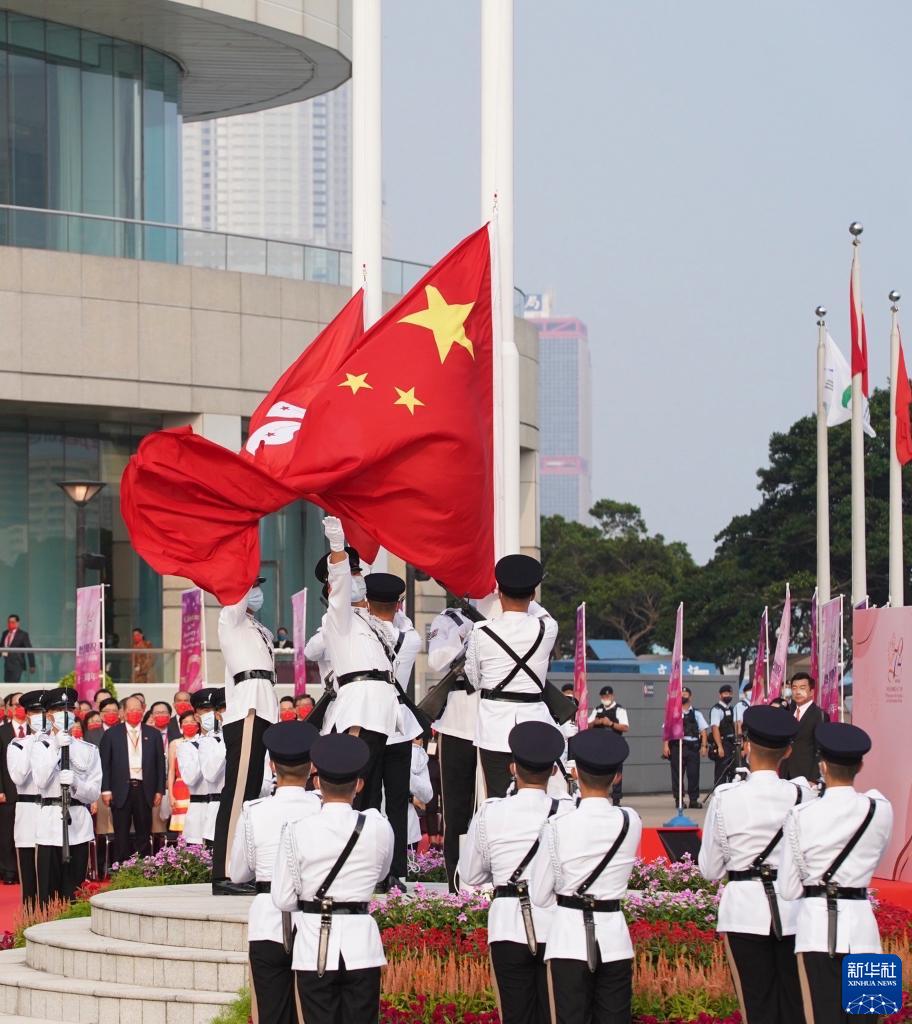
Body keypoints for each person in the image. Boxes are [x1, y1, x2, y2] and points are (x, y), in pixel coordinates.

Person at [698, 705, 812, 1024]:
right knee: (796, 1006)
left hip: (744, 911)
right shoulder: (804, 795)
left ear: (746, 745)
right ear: (788, 750)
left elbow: (709, 870)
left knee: (756, 1005)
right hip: (794, 912)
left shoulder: (725, 796)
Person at [272, 733, 394, 1024]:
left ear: (317, 783)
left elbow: (283, 898)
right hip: (360, 942)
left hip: (314, 942)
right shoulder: (378, 827)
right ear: (359, 785)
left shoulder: (297, 829)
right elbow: (381, 874)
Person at [779, 722, 893, 1024]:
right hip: (864, 933)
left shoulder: (802, 814)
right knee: (869, 1018)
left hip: (816, 933)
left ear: (823, 765)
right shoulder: (880, 809)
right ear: (861, 764)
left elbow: (788, 890)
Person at [459, 721, 573, 1024]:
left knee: (514, 1014)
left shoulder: (491, 811)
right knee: (555, 1014)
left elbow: (470, 874)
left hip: (507, 922)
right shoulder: (568, 811)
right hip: (556, 921)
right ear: (552, 771)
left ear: (512, 768)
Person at [530, 729, 642, 1024]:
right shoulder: (631, 821)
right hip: (614, 939)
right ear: (617, 776)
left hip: (568, 939)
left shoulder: (557, 824)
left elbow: (539, 895)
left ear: (575, 773)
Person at [230, 720, 321, 1024]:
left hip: (268, 918)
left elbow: (238, 873)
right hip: (314, 918)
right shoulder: (320, 807)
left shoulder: (254, 810)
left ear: (271, 764)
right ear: (311, 766)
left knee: (272, 1013)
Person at [316, 518, 402, 812]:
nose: (357, 579)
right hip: (360, 711)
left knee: (372, 794)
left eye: (358, 573)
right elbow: (340, 590)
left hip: (382, 710)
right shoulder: (337, 619)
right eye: (351, 574)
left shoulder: (371, 622)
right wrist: (337, 548)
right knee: (355, 789)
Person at [465, 555, 558, 799]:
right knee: (535, 796)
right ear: (533, 595)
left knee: (497, 798)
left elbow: (473, 679)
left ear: (499, 593)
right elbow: (541, 612)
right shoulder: (547, 628)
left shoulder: (481, 631)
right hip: (534, 722)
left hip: (494, 725)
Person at [212, 575, 279, 893]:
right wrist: (236, 576)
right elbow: (234, 601)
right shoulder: (230, 619)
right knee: (237, 794)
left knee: (251, 796)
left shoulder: (259, 630)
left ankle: (240, 869)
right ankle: (223, 874)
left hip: (264, 706)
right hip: (247, 710)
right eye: (250, 585)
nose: (256, 592)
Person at [424, 601, 479, 890]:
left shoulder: (513, 616)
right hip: (457, 722)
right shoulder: (448, 620)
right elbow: (437, 660)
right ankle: (456, 881)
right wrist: (467, 635)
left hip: (495, 721)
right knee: (456, 810)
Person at [31, 688, 102, 904]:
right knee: (47, 892)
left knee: (74, 891)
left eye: (70, 708)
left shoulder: (88, 750)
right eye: (59, 709)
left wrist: (77, 783)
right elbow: (41, 781)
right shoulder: (40, 747)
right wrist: (55, 748)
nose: (66, 713)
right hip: (50, 823)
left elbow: (93, 792)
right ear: (49, 715)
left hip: (78, 823)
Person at [99, 694, 166, 865]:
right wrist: (105, 790)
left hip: (145, 789)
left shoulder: (153, 734)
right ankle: (121, 866)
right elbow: (104, 765)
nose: (135, 712)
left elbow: (160, 765)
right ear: (123, 712)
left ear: (144, 710)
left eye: (138, 709)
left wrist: (159, 790)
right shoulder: (111, 734)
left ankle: (144, 867)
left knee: (144, 830)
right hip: (120, 789)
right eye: (131, 710)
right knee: (121, 831)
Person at [6, 690, 43, 903]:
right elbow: (19, 777)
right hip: (27, 812)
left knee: (50, 875)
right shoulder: (17, 745)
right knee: (28, 875)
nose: (40, 717)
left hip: (51, 812)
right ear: (28, 716)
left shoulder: (55, 743)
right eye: (35, 712)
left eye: (43, 712)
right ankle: (29, 922)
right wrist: (33, 745)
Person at [662, 686, 707, 809]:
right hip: (678, 747)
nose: (683, 696)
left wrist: (704, 746)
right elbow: (667, 730)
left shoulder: (696, 713)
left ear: (690, 697)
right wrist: (665, 745)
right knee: (677, 775)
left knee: (693, 774)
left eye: (685, 694)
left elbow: (703, 731)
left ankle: (693, 800)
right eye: (681, 694)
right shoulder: (673, 713)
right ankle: (679, 800)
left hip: (692, 747)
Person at [780, 673, 828, 783]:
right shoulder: (787, 712)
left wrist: (814, 779)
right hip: (785, 774)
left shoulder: (819, 715)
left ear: (811, 691)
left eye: (802, 688)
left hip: (807, 777)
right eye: (794, 688)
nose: (798, 692)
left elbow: (820, 750)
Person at [588, 686, 629, 806]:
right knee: (600, 771)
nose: (606, 698)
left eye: (608, 696)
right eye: (604, 697)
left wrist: (610, 723)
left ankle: (616, 799)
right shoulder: (597, 709)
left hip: (615, 744)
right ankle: (600, 796)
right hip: (600, 745)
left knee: (616, 772)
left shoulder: (619, 709)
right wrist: (596, 722)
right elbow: (586, 725)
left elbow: (625, 727)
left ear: (612, 696)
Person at [0, 694, 18, 884]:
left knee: (25, 833)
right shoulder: (2, 731)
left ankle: (23, 871)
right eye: (16, 705)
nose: (20, 708)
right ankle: (8, 871)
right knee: (6, 834)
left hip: (30, 794)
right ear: (9, 708)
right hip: (7, 791)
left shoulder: (34, 730)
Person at [407, 736, 434, 853]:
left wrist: (415, 749)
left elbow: (427, 795)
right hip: (382, 823)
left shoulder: (418, 755)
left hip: (409, 828)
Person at [710, 683, 738, 786]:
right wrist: (719, 746)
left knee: (733, 773)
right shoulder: (717, 709)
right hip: (723, 743)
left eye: (730, 693)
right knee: (721, 772)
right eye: (725, 693)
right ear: (720, 695)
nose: (728, 696)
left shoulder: (732, 709)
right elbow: (715, 728)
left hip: (732, 744)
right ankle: (717, 797)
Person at [1, 615, 35, 683]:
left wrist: (32, 665)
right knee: (7, 683)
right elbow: (1, 647)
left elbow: (29, 650)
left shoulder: (22, 634)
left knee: (13, 683)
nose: (10, 624)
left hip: (17, 664)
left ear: (17, 623)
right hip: (7, 664)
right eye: (9, 622)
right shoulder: (5, 633)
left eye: (12, 622)